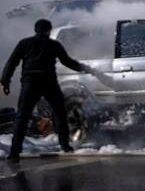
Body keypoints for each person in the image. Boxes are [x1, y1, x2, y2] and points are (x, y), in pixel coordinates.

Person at [1, 19, 90, 161]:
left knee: (22, 116)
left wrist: (5, 82)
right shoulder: (53, 44)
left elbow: (12, 63)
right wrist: (85, 68)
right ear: (49, 30)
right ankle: (65, 146)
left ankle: (14, 153)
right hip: (49, 82)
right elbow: (67, 61)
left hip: (30, 83)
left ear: (35, 30)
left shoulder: (24, 43)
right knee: (59, 113)